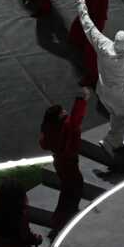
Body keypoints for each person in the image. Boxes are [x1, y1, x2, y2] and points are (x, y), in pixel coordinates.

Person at [77, 0, 124, 163]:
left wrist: (81, 6)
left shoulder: (104, 46)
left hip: (102, 90)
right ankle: (110, 141)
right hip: (117, 94)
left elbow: (89, 27)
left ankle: (116, 143)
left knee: (115, 114)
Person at [39, 88, 90, 235]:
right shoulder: (66, 126)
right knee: (73, 191)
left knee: (68, 191)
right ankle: (63, 221)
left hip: (60, 163)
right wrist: (82, 99)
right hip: (69, 163)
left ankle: (61, 219)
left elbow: (44, 144)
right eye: (62, 110)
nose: (65, 111)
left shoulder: (48, 129)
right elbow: (76, 118)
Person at [68, 0, 113, 88]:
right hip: (86, 14)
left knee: (90, 50)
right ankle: (85, 47)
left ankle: (92, 76)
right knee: (74, 36)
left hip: (97, 19)